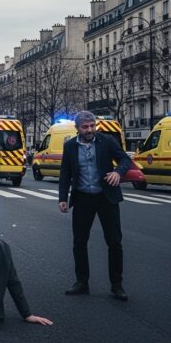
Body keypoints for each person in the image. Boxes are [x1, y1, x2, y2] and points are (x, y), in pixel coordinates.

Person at [58, 110, 132, 301]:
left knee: (114, 242)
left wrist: (117, 172)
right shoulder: (70, 146)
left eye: (92, 126)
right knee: (79, 242)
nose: (90, 130)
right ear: (77, 128)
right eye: (85, 127)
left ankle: (117, 285)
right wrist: (63, 198)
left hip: (106, 197)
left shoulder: (107, 141)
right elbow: (65, 173)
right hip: (83, 198)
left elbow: (125, 159)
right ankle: (82, 282)